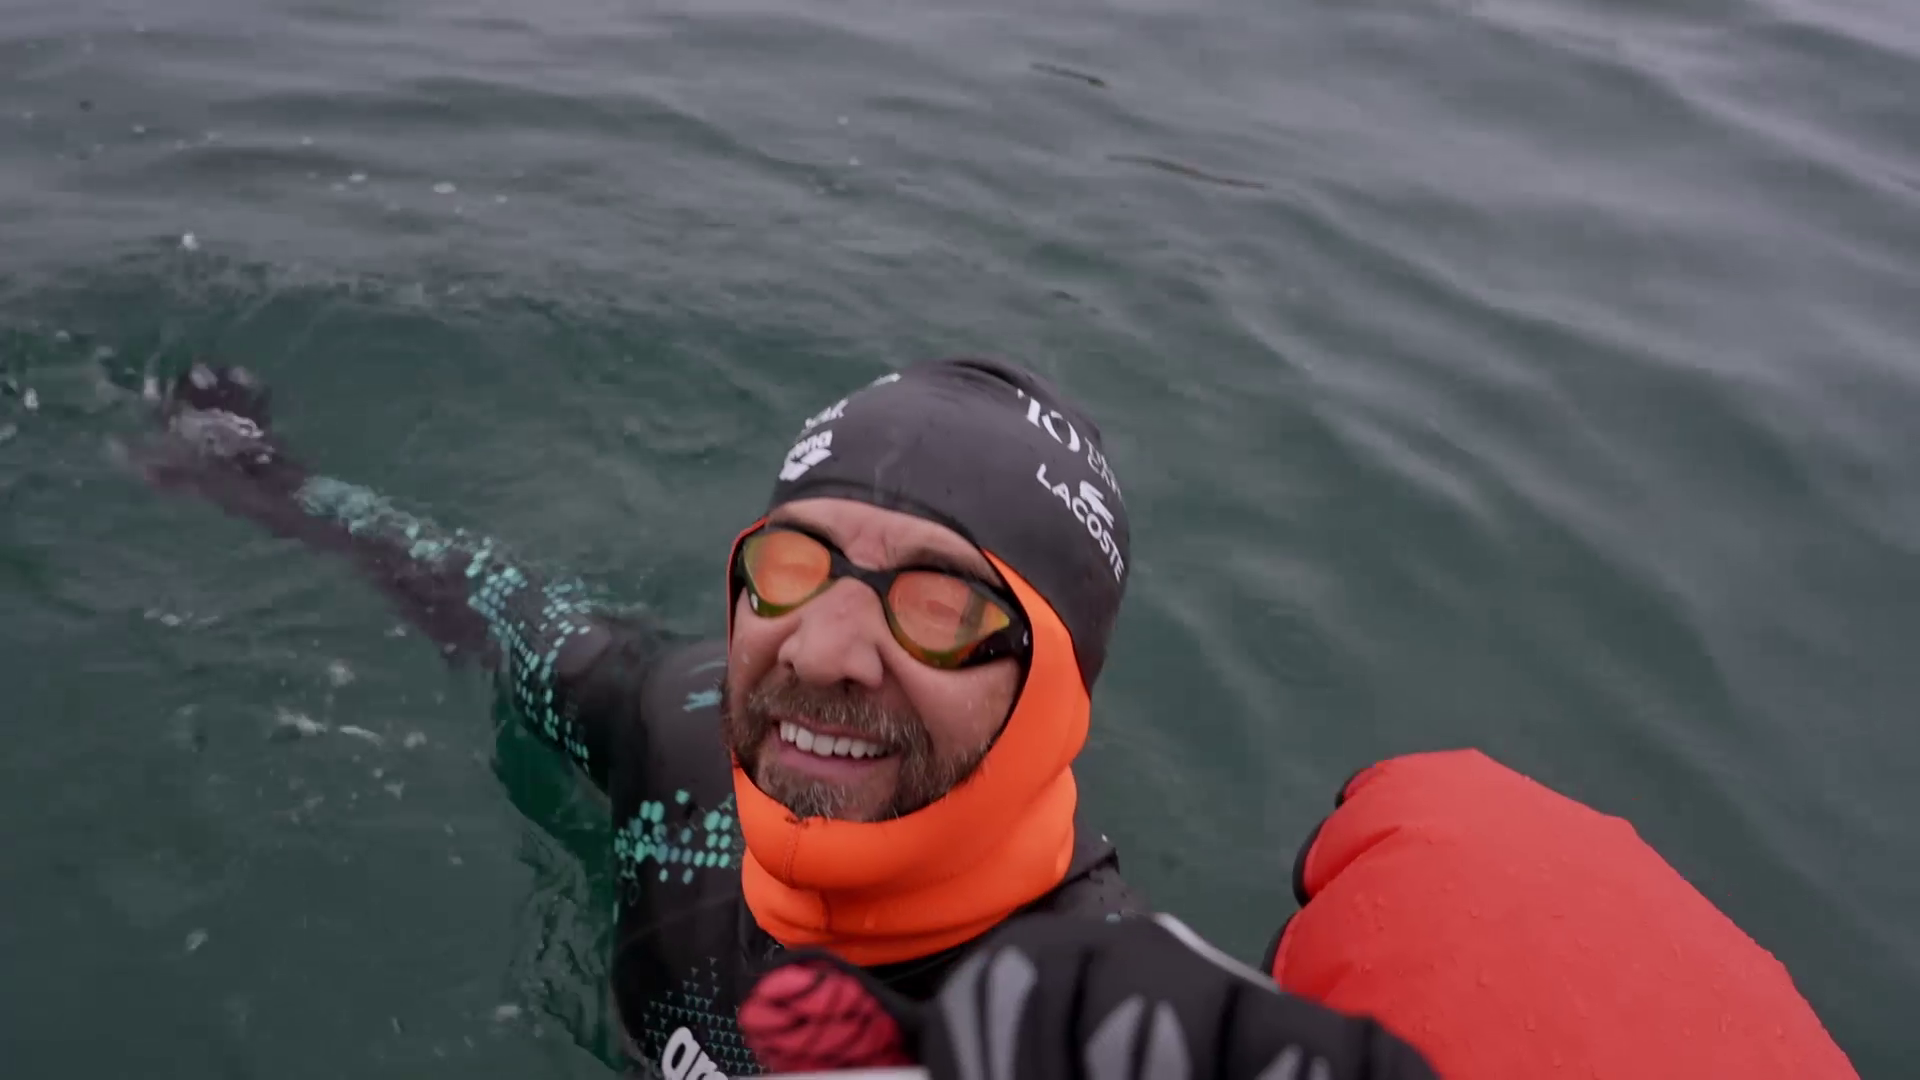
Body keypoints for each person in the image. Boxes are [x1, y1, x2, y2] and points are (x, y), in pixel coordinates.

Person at [133, 357, 1439, 1080]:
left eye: (936, 604)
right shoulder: (677, 723)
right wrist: (260, 481)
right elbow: (474, 588)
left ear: (1055, 684)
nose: (825, 650)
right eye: (795, 566)